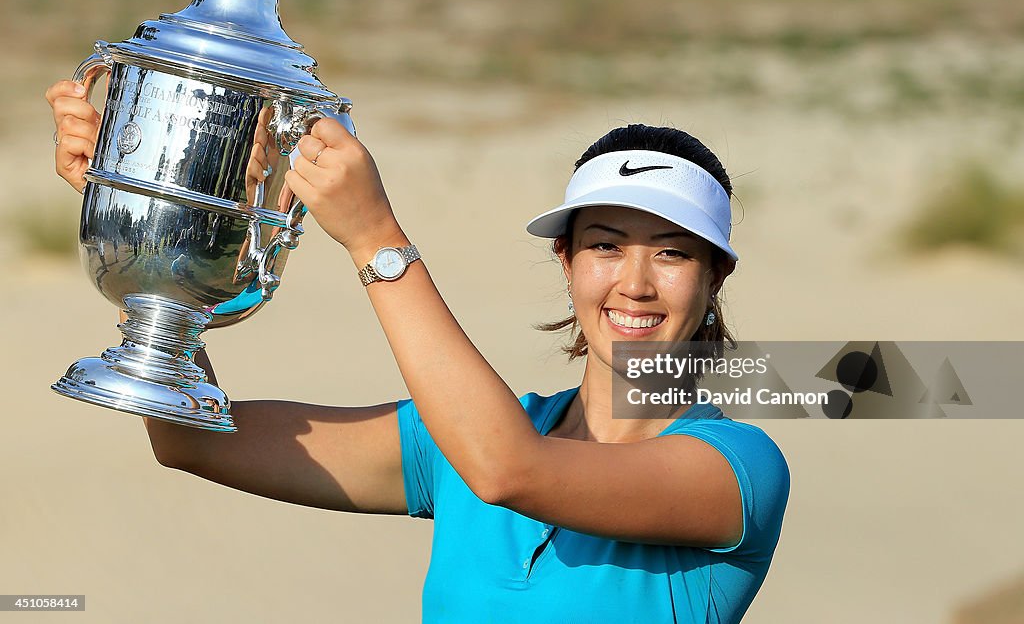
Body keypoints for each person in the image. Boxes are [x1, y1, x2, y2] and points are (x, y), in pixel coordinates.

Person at [46, 80, 790, 623]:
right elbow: (187, 436)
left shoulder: (737, 467)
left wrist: (377, 239)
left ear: (716, 275)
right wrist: (155, 210)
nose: (633, 283)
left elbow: (509, 471)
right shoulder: (456, 441)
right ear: (565, 261)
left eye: (672, 254)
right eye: (604, 246)